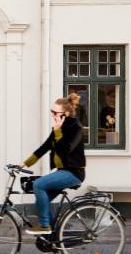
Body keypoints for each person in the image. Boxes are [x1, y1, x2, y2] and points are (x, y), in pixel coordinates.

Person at [20, 93, 86, 235]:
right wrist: (23, 164)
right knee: (40, 202)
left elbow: (66, 150)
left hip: (74, 173)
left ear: (66, 113)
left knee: (38, 184)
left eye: (55, 112)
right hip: (63, 171)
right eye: (52, 112)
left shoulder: (76, 128)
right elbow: (45, 147)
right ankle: (54, 234)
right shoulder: (58, 128)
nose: (53, 115)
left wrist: (57, 132)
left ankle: (45, 226)